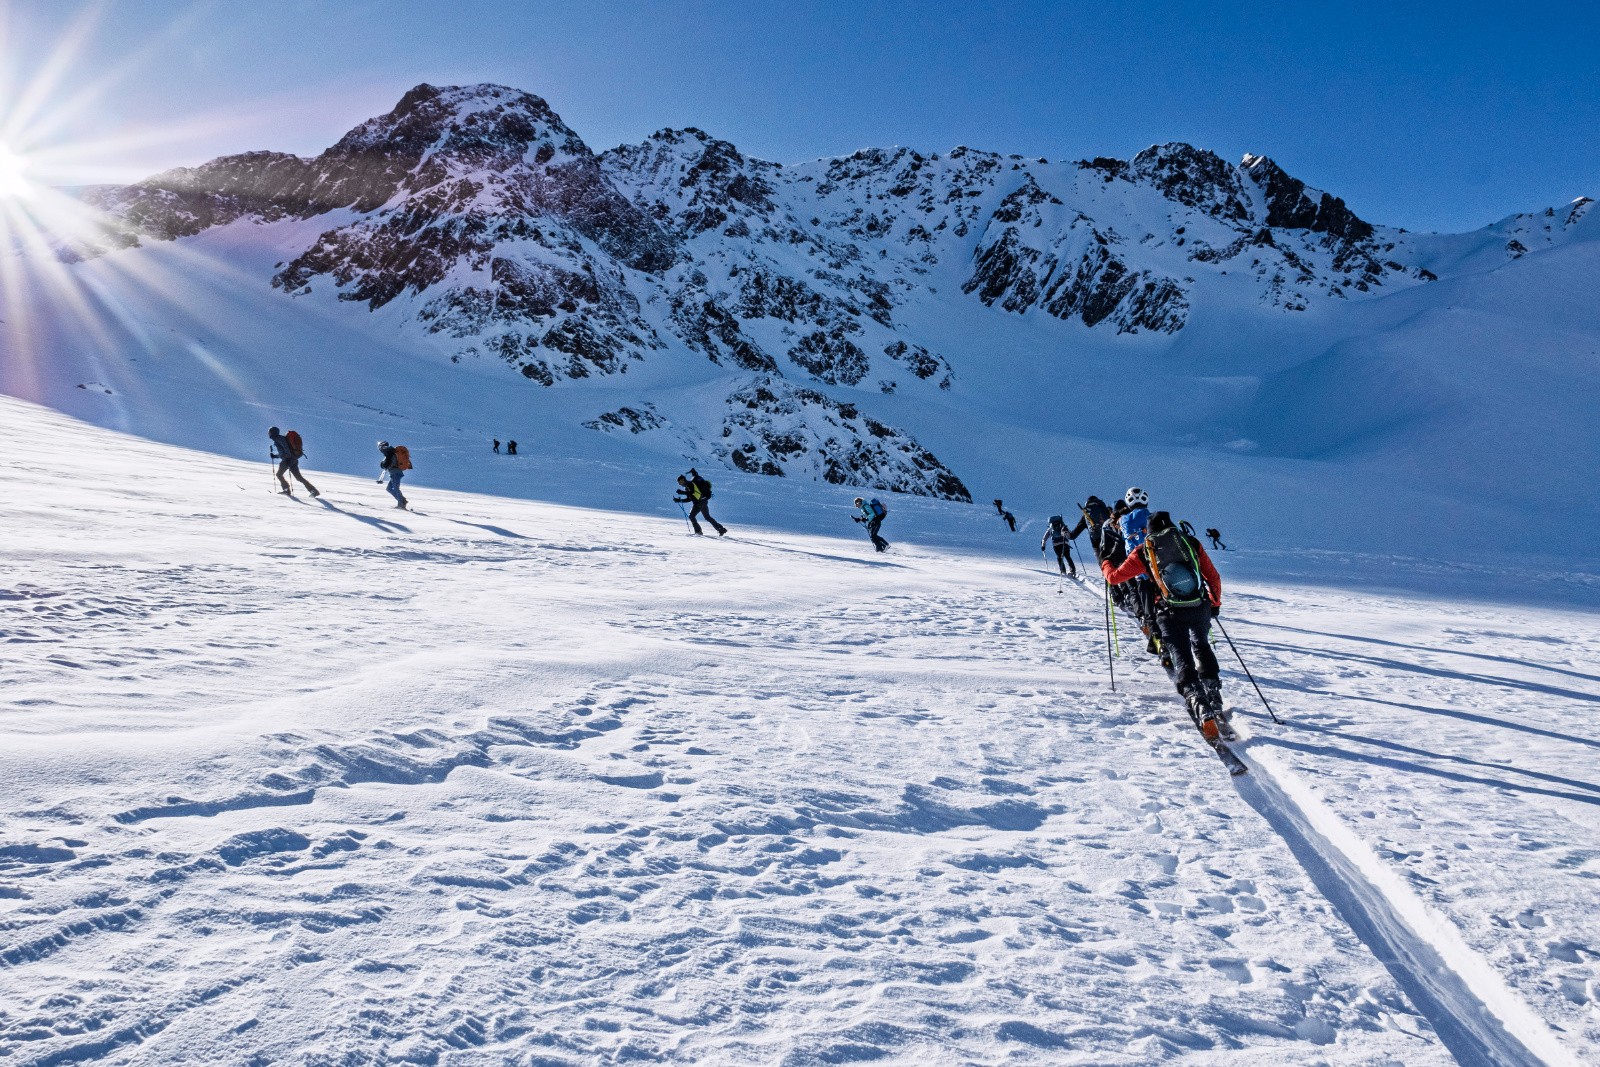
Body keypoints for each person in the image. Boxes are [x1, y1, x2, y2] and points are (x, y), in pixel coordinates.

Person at [1101, 510, 1226, 737]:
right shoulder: (1189, 542)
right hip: (1199, 606)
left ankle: (1198, 701)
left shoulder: (1144, 551)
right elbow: (1213, 576)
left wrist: (1106, 562)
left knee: (1181, 655)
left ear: (1148, 531)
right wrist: (1214, 603)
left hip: (1169, 612)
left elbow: (1114, 578)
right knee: (1201, 644)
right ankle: (1214, 694)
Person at [268, 426, 319, 497]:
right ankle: (313, 491)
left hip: (288, 460)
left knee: (279, 474)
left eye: (269, 432)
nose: (269, 434)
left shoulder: (279, 439)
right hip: (293, 459)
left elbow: (286, 450)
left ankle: (286, 490)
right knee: (298, 477)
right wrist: (275, 456)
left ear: (272, 433)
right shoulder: (280, 439)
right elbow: (283, 453)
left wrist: (288, 458)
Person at [674, 468, 726, 536]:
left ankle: (717, 530)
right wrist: (679, 500)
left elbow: (691, 492)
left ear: (683, 480)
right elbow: (689, 499)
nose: (680, 484)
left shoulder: (690, 484)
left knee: (701, 517)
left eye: (680, 482)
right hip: (699, 502)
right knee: (697, 516)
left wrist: (682, 492)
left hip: (701, 502)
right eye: (679, 483)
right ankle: (717, 530)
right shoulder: (687, 487)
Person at [377, 440, 409, 510]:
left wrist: (384, 465)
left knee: (396, 488)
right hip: (394, 473)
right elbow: (386, 463)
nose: (381, 450)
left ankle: (401, 504)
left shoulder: (390, 453)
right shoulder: (390, 453)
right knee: (389, 488)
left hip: (396, 473)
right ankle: (402, 500)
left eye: (381, 448)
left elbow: (388, 464)